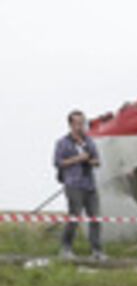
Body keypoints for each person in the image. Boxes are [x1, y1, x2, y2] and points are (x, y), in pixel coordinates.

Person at [53, 110, 104, 261]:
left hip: (89, 184)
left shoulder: (89, 141)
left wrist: (91, 160)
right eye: (77, 123)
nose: (80, 126)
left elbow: (97, 161)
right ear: (71, 125)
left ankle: (97, 251)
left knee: (95, 218)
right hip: (73, 184)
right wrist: (78, 158)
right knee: (74, 217)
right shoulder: (62, 143)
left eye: (82, 123)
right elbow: (58, 163)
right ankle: (66, 248)